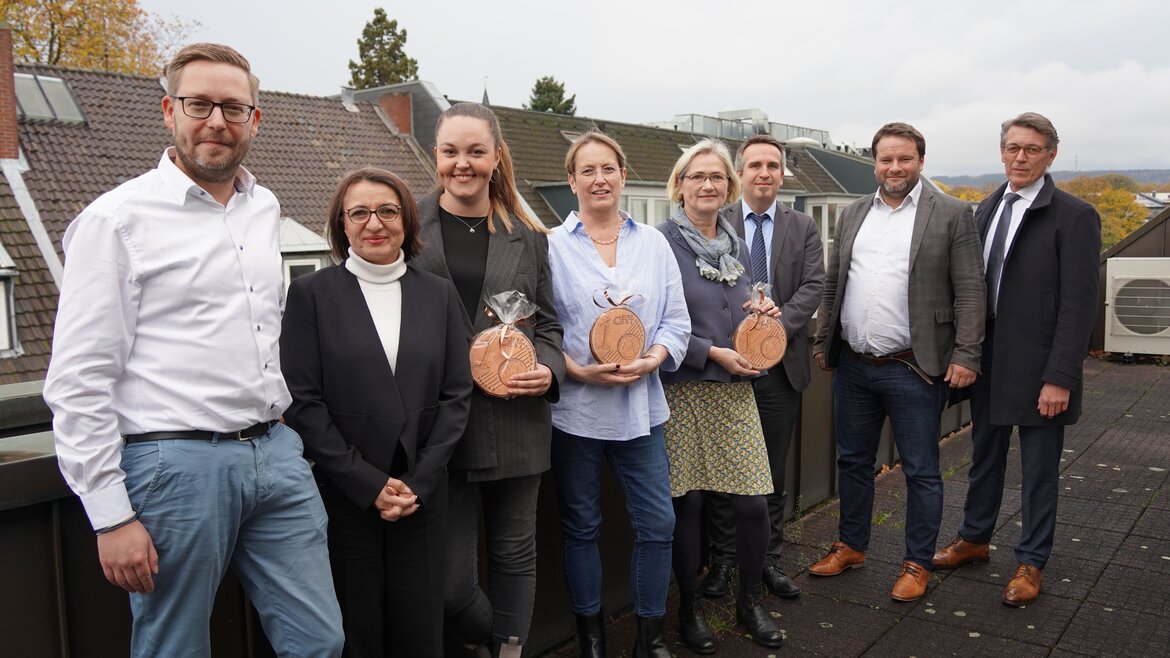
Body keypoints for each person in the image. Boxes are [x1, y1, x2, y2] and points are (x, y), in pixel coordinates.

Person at [42, 43, 344, 657]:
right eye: (198, 103)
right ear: (168, 111)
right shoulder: (116, 221)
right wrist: (111, 515)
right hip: (173, 467)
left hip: (276, 455)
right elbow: (78, 380)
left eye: (233, 108)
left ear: (255, 119)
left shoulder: (264, 207)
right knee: (175, 648)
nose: (216, 121)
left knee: (319, 641)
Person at [281, 168, 472, 656]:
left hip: (422, 493)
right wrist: (367, 485)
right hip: (345, 493)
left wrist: (420, 481)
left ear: (407, 221)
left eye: (387, 211)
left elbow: (456, 395)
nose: (374, 223)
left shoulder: (438, 294)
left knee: (420, 629)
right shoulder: (310, 295)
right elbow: (304, 403)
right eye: (359, 212)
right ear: (341, 225)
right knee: (356, 628)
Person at [409, 102, 565, 658]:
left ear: (496, 158)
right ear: (437, 156)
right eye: (451, 151)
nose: (463, 164)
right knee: (450, 586)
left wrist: (549, 370)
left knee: (514, 555)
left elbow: (548, 323)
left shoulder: (529, 236)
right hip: (435, 428)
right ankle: (493, 640)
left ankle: (508, 653)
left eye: (476, 152)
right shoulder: (407, 226)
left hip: (515, 419)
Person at [811, 122, 985, 602]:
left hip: (915, 367)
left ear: (921, 162)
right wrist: (824, 341)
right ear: (875, 163)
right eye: (886, 159)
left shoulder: (951, 213)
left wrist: (967, 354)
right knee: (852, 461)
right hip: (855, 366)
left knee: (922, 470)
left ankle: (916, 562)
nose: (894, 168)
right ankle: (851, 545)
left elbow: (972, 290)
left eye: (904, 159)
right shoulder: (852, 215)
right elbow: (834, 282)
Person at [932, 112, 1101, 606]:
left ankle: (1031, 560)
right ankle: (975, 538)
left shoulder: (1074, 216)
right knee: (983, 457)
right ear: (1001, 152)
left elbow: (1078, 305)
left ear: (1050, 155)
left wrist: (1061, 377)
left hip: (1041, 369)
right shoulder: (983, 210)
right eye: (1012, 148)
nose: (1020, 157)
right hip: (987, 363)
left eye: (1031, 149)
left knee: (1039, 468)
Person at [547, 130, 690, 658]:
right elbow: (539, 329)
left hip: (641, 411)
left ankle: (649, 637)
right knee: (581, 525)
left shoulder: (653, 244)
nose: (599, 178)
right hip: (575, 414)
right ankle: (591, 638)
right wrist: (577, 371)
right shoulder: (551, 246)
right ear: (572, 180)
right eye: (587, 170)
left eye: (608, 168)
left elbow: (677, 321)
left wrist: (654, 358)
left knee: (658, 523)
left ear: (623, 176)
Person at [658, 139, 784, 652]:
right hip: (684, 392)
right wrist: (711, 352)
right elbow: (648, 324)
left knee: (753, 505)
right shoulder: (659, 242)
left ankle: (748, 602)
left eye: (715, 177)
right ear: (680, 185)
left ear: (728, 187)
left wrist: (761, 320)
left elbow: (737, 309)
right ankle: (690, 609)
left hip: (734, 394)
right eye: (696, 177)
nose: (707, 185)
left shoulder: (733, 246)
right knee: (687, 507)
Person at [705, 133, 826, 601]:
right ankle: (723, 561)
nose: (763, 173)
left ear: (781, 174)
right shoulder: (718, 221)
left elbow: (814, 285)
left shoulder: (804, 227)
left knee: (770, 473)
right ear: (740, 173)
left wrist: (778, 326)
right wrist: (741, 332)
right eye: (754, 165)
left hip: (782, 369)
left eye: (772, 166)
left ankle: (768, 560)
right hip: (730, 367)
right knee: (722, 471)